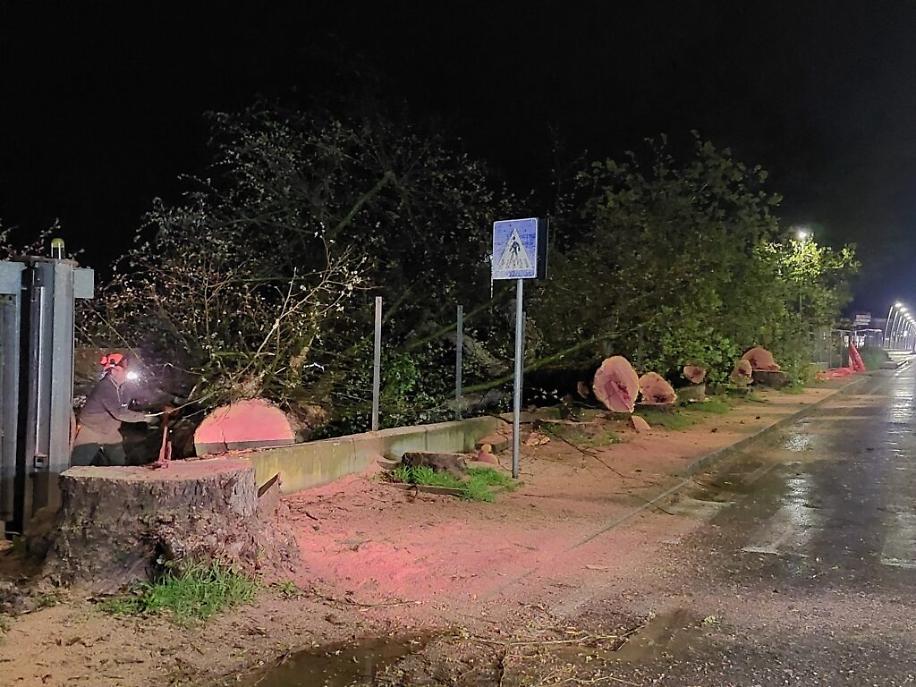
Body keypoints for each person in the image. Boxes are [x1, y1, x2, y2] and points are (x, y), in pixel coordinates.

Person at [71, 353, 160, 466]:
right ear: (114, 371)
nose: (126, 374)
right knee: (77, 466)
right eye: (124, 371)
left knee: (119, 465)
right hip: (91, 431)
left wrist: (167, 402)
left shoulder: (123, 387)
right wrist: (146, 418)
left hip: (110, 432)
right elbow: (119, 413)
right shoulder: (105, 388)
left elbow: (144, 395)